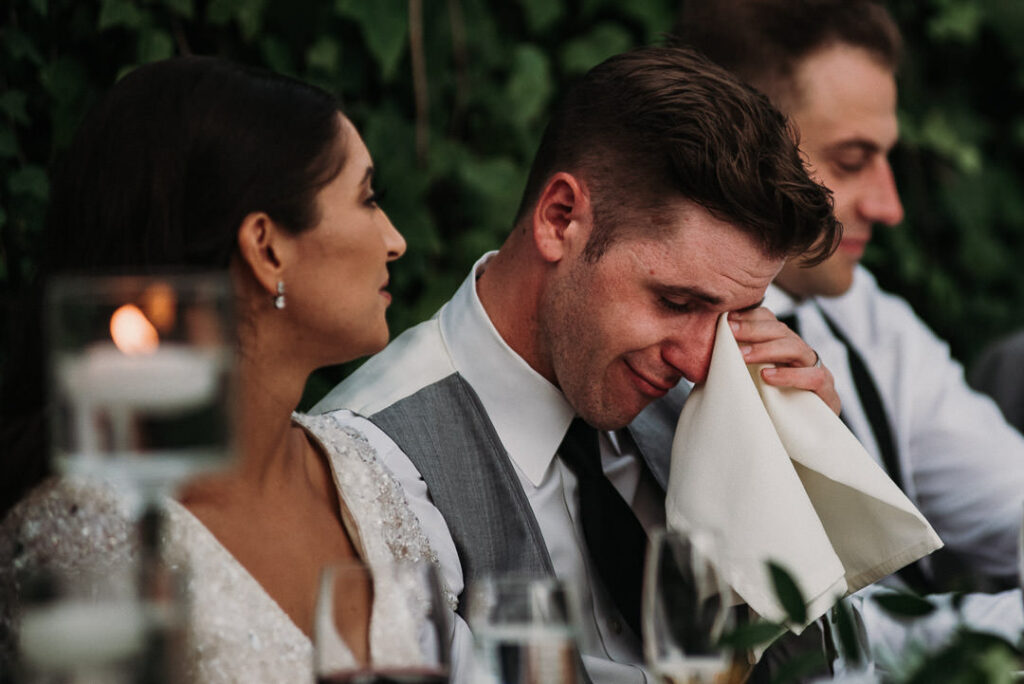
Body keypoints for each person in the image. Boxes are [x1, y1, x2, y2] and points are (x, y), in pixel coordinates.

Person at [314, 45, 842, 682]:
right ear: (560, 219)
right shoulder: (370, 465)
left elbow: (829, 668)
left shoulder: (718, 411)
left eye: (734, 316)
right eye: (676, 301)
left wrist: (799, 489)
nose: (701, 363)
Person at [0, 56, 464, 682]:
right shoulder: (88, 539)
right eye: (367, 198)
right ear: (267, 246)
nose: (395, 240)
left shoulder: (360, 473)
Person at [675, 0, 1024, 664]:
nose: (888, 206)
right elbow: (808, 643)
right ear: (738, 151)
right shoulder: (677, 350)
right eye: (852, 159)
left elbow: (1011, 501)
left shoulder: (862, 311)